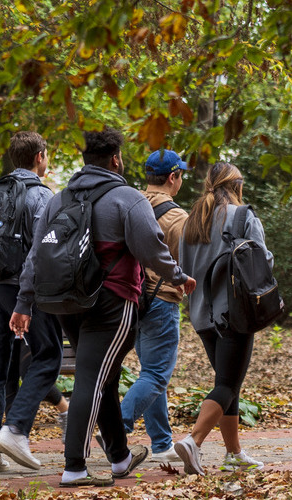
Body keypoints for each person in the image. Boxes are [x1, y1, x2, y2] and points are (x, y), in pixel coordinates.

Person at [10, 129, 196, 487]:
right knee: (92, 379)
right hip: (111, 301)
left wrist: (24, 302)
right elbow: (152, 249)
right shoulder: (126, 198)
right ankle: (74, 466)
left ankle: (120, 457)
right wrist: (177, 275)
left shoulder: (59, 198)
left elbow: (36, 255)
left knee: (103, 376)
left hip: (65, 303)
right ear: (115, 159)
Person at [173, 162, 272, 475]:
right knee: (228, 383)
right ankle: (194, 441)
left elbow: (184, 267)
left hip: (202, 315)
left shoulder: (192, 221)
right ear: (237, 185)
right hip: (235, 314)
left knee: (228, 382)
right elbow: (263, 259)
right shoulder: (243, 216)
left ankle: (234, 453)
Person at [0, 131, 63, 473]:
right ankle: (15, 430)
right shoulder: (41, 195)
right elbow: (42, 251)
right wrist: (28, 297)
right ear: (40, 156)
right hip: (20, 287)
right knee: (48, 353)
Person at [119, 149, 190, 465]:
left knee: (152, 373)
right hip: (161, 302)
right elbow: (186, 265)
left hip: (129, 300)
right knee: (158, 374)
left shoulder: (129, 203)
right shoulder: (178, 218)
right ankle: (115, 427)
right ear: (173, 178)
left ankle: (161, 443)